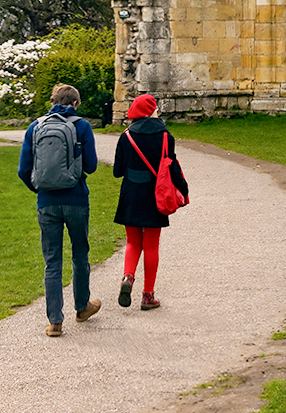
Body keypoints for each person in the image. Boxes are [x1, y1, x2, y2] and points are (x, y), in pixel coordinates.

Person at [18, 84, 101, 337]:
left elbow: (23, 170)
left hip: (47, 202)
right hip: (76, 199)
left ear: (53, 101)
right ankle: (82, 307)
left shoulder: (35, 127)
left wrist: (40, 189)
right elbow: (92, 165)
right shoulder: (82, 126)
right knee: (80, 254)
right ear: (75, 104)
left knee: (52, 260)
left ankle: (55, 321)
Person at [113, 93, 188, 311]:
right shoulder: (165, 136)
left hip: (131, 193)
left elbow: (118, 171)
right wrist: (183, 189)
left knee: (132, 241)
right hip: (156, 194)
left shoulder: (126, 136)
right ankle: (148, 295)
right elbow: (172, 166)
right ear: (151, 111)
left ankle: (128, 277)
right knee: (151, 244)